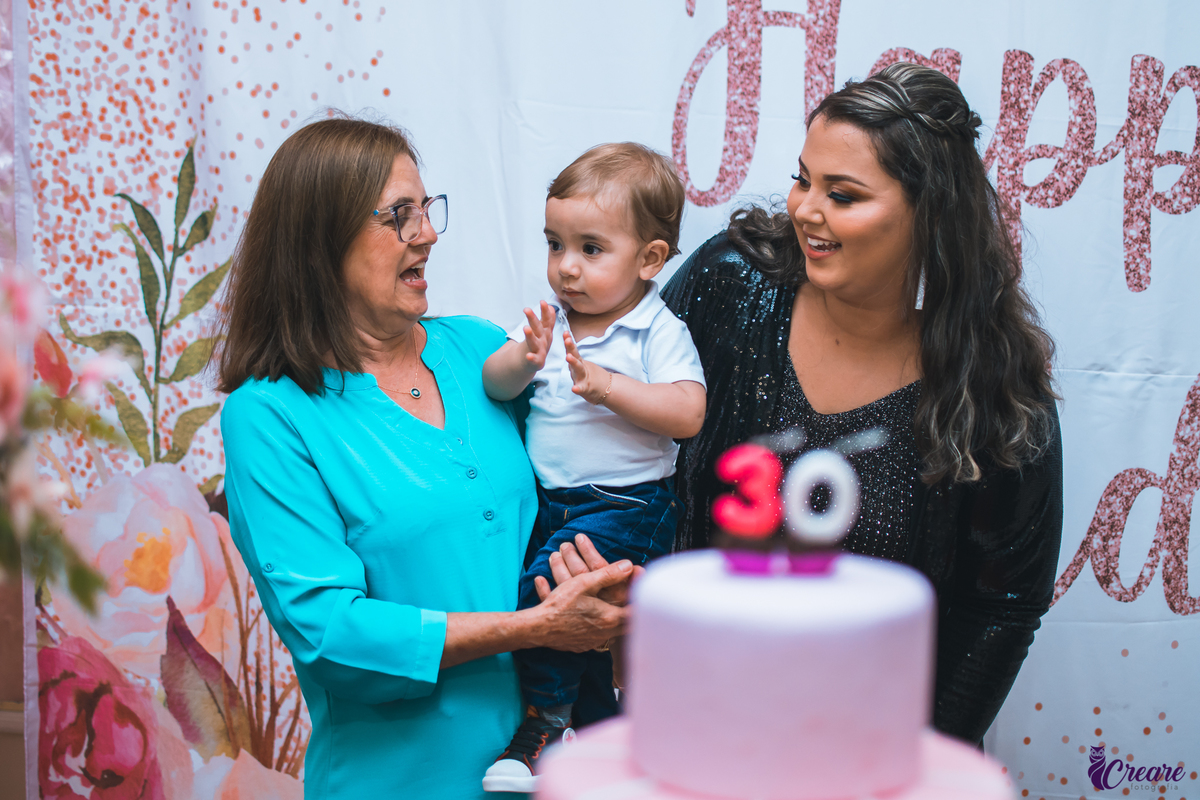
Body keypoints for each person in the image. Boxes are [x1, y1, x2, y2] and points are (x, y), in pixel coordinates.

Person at [215, 117, 640, 800]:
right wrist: (537, 629)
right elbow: (330, 635)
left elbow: (578, 482)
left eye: (426, 210)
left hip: (560, 774)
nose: (428, 233)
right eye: (398, 216)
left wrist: (607, 580)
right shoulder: (270, 416)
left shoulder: (478, 351)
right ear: (320, 242)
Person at [661, 63, 1064, 745]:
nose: (805, 209)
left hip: (862, 746)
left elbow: (1001, 607)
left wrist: (911, 766)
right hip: (691, 718)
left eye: (842, 195)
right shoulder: (731, 283)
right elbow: (627, 435)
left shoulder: (992, 383)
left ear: (928, 211)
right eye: (802, 178)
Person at [480, 143, 706, 792]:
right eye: (555, 244)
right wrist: (523, 358)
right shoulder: (552, 324)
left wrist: (609, 387)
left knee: (547, 597)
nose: (566, 268)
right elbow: (495, 386)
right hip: (556, 501)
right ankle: (604, 732)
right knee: (568, 616)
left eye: (590, 249)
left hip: (628, 503)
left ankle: (545, 722)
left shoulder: (653, 330)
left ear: (650, 259)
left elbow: (688, 412)